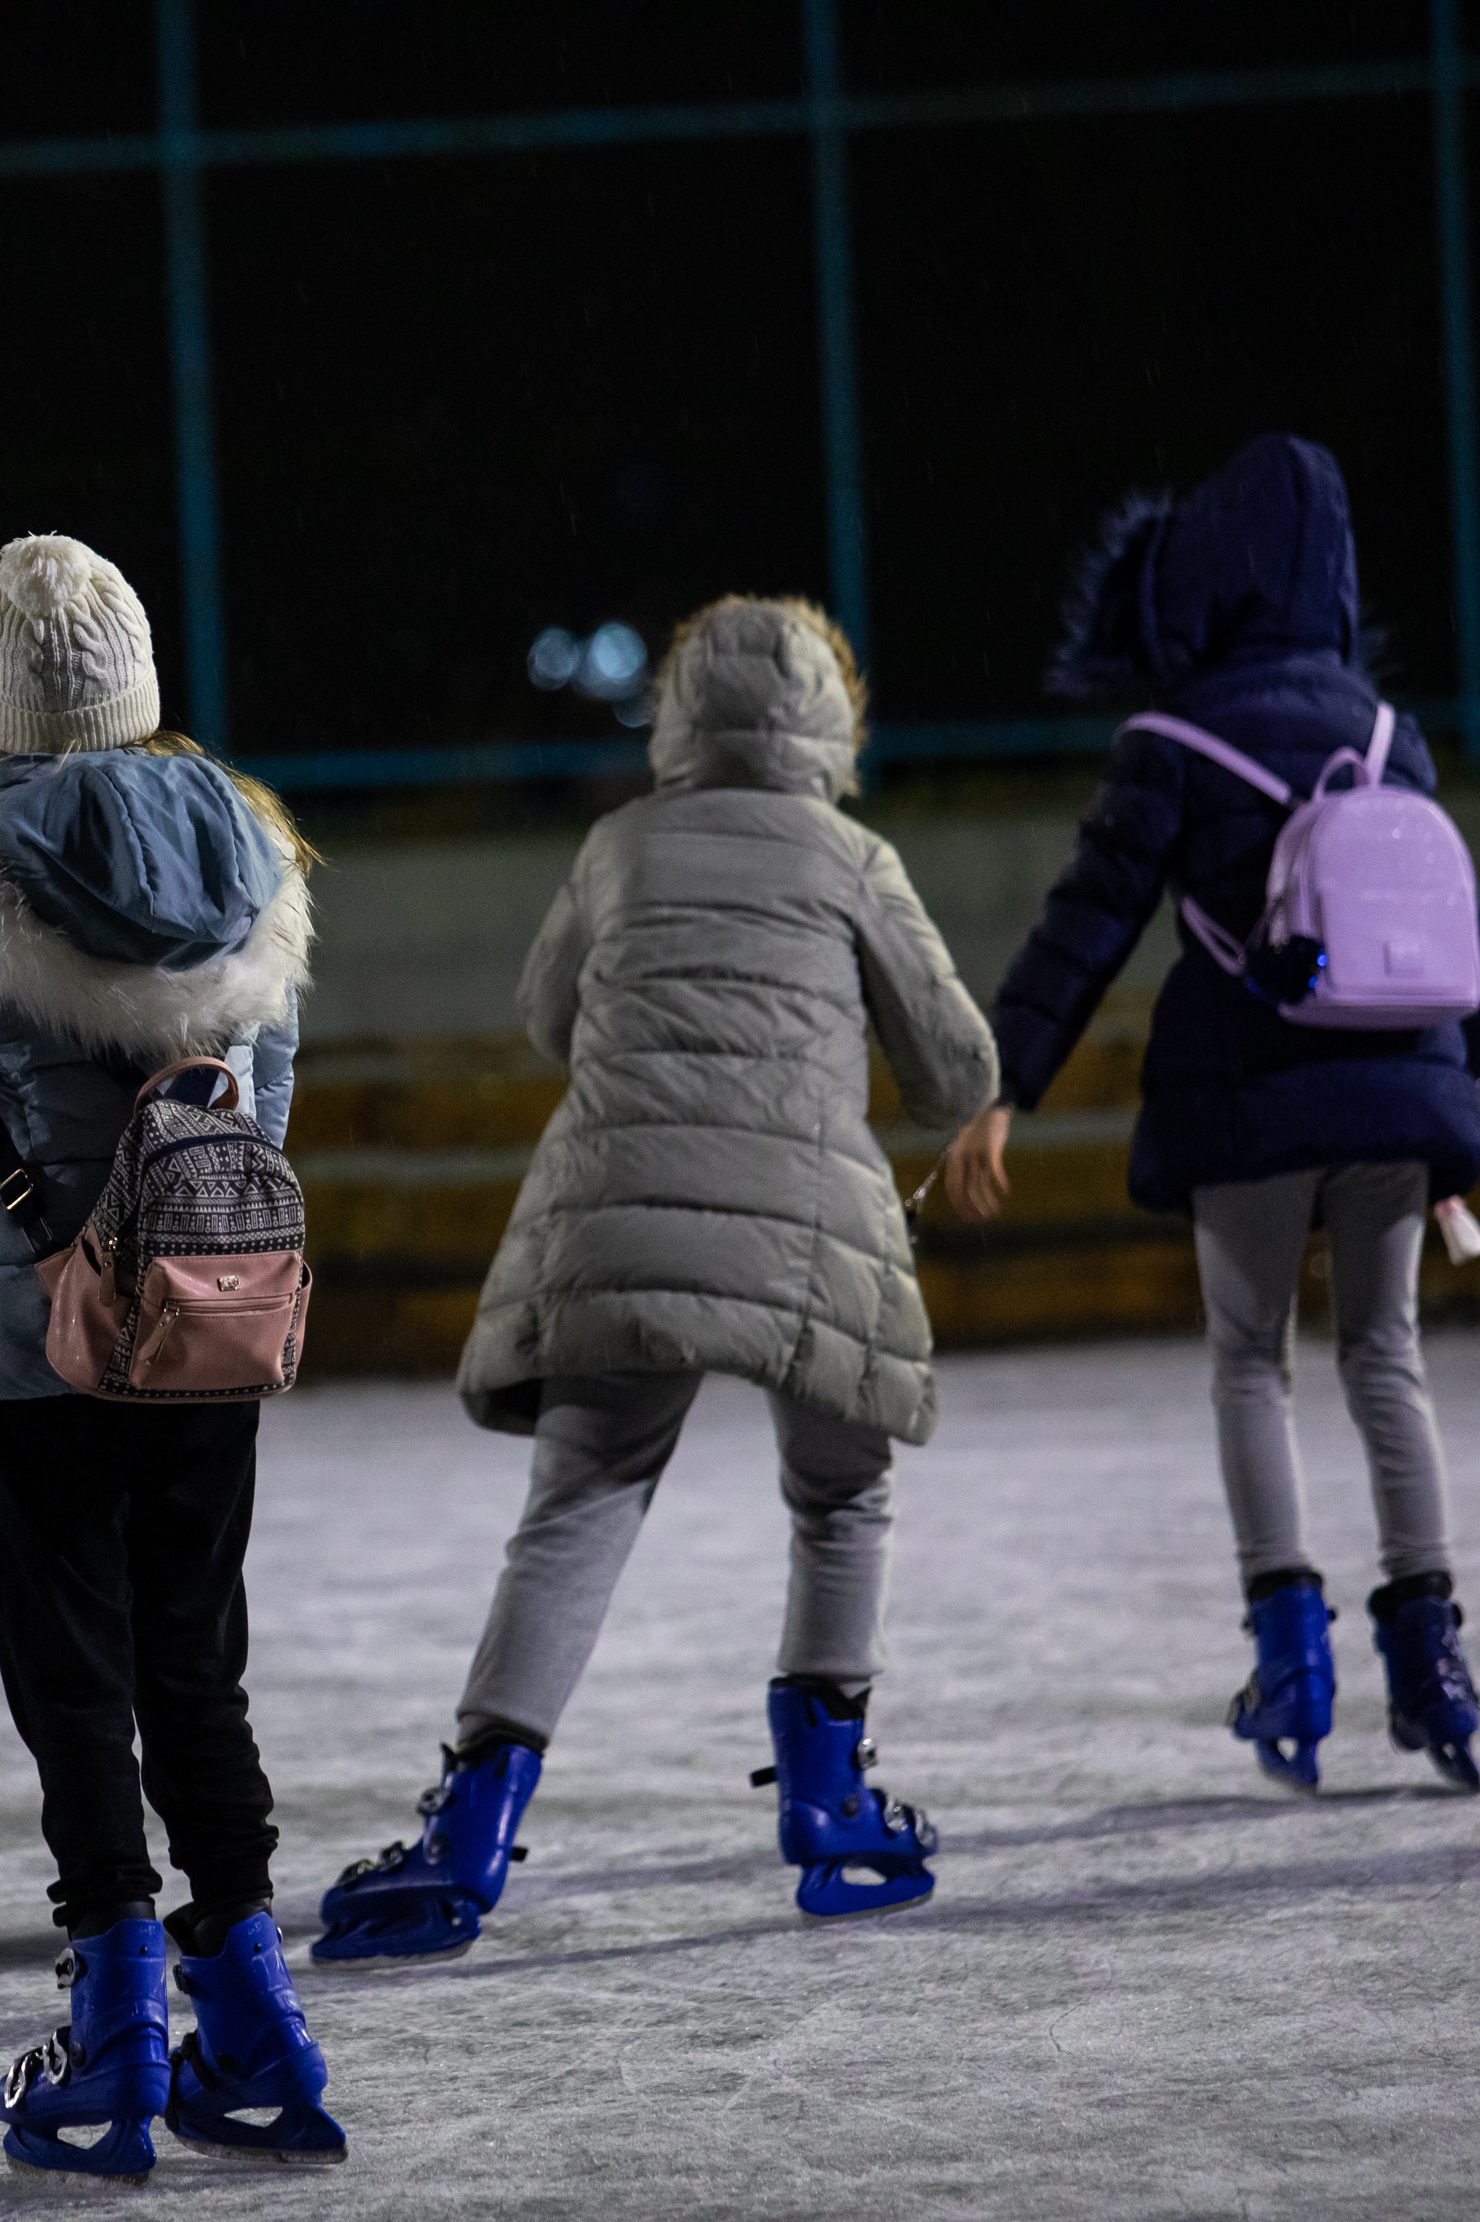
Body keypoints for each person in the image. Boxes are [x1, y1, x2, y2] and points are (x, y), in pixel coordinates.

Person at [311, 595, 999, 1965]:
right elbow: (956, 1067)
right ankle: (828, 1797)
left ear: (679, 714)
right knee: (841, 1491)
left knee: (579, 1503)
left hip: (621, 1216)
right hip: (812, 1226)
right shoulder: (852, 856)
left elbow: (546, 1016)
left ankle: (470, 1827)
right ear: (832, 719)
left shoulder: (618, 846)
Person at [0, 534, 343, 2176]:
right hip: (207, 1325)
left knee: (74, 1682)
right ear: (137, 681)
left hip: (41, 1347)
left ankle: (119, 2028)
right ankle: (257, 2015)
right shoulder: (245, 848)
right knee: (195, 1663)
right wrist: (202, 1271)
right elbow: (258, 1113)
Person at [943, 433, 1480, 1795]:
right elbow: (1458, 931)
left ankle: (1291, 1661)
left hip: (1249, 1084)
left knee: (1253, 1360)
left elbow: (1089, 923)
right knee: (1387, 1356)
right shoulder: (1389, 734)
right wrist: (1453, 1098)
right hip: (1398, 1085)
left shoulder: (1171, 741)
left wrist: (1003, 1084)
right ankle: (1432, 1663)